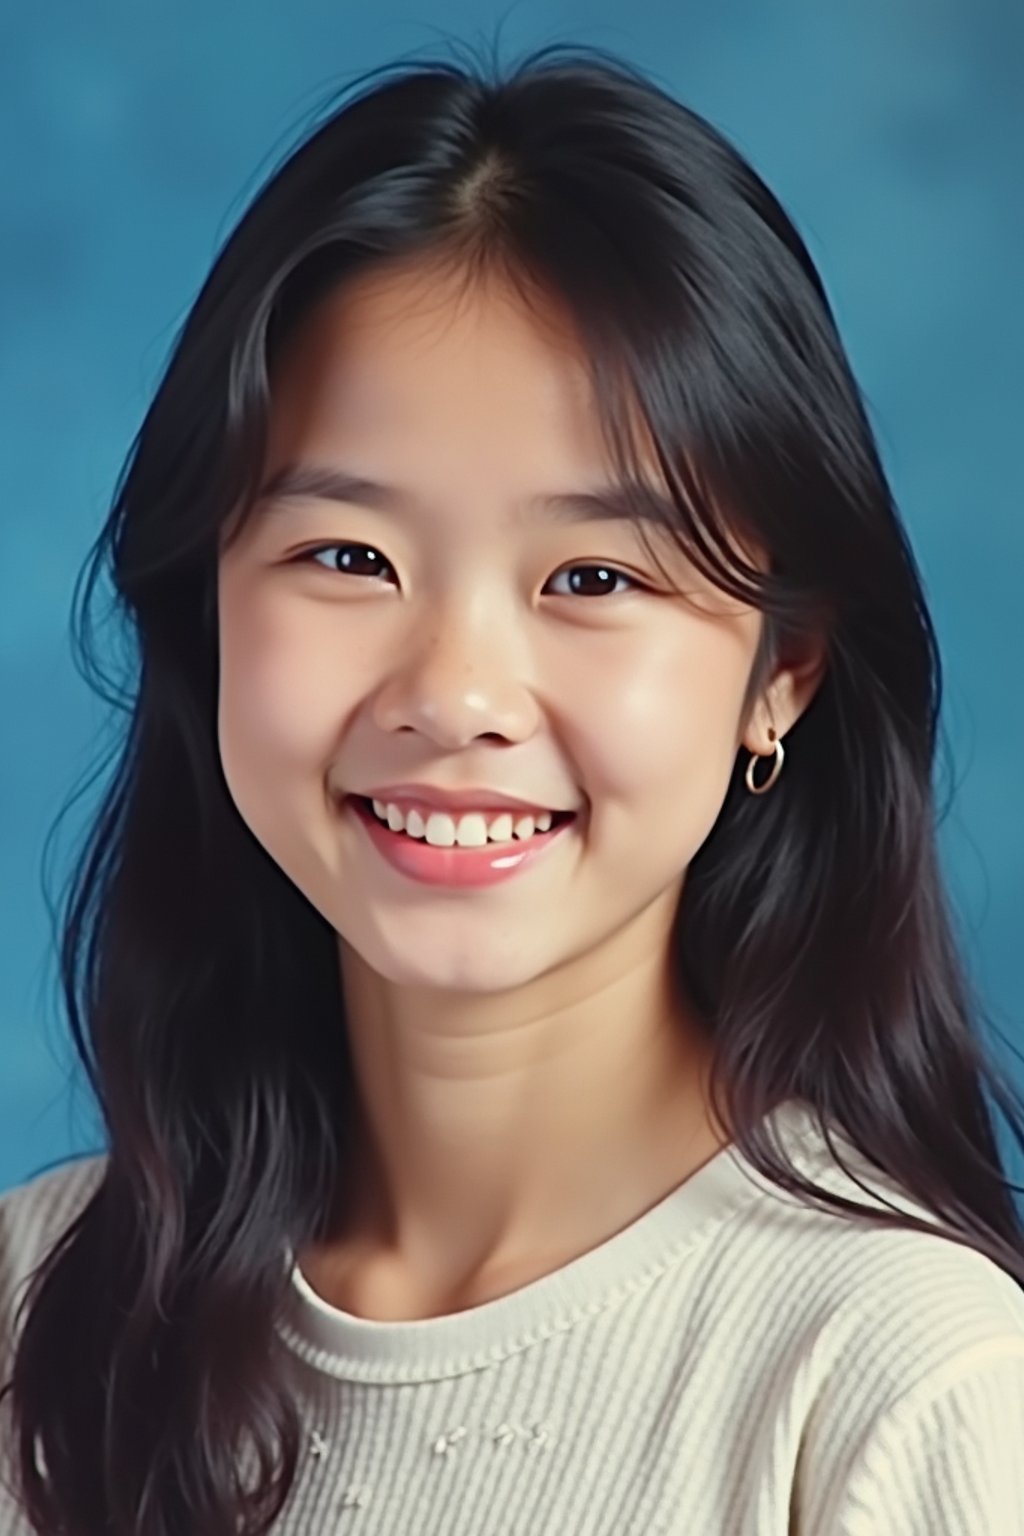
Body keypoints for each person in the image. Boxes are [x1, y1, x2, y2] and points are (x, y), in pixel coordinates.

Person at [2, 37, 1023, 1536]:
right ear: (205, 613)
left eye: (593, 576)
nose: (456, 696)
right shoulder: (39, 1312)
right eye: (349, 558)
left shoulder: (898, 1388)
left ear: (782, 672)